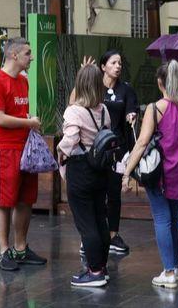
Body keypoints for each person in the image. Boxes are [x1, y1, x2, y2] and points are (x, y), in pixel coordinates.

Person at [122, 60, 178, 289]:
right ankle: (177, 267)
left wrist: (127, 172)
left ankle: (169, 271)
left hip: (161, 175)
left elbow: (142, 143)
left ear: (160, 82)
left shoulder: (156, 108)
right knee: (173, 219)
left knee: (162, 219)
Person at [0, 37, 47, 271]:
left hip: (25, 149)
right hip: (4, 150)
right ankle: (4, 252)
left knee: (25, 199)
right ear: (14, 55)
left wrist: (29, 123)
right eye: (28, 53)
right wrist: (28, 122)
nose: (31, 57)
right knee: (4, 202)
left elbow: (20, 112)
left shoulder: (23, 81)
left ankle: (20, 248)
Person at [70, 51, 138, 254]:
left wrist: (132, 115)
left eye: (120, 63)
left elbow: (131, 109)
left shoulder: (125, 90)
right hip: (92, 150)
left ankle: (113, 234)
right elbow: (73, 103)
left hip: (116, 149)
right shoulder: (94, 86)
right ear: (103, 66)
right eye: (113, 62)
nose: (118, 66)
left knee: (114, 193)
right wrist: (82, 74)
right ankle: (89, 237)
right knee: (95, 195)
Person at [57, 64, 112, 287]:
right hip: (101, 170)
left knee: (86, 223)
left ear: (79, 85)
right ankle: (102, 266)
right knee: (100, 219)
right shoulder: (104, 110)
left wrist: (60, 152)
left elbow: (70, 140)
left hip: (80, 170)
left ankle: (95, 271)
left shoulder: (73, 111)